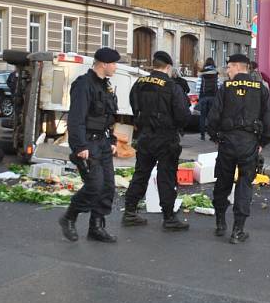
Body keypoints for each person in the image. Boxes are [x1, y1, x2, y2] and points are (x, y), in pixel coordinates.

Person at [206, 53, 270, 244]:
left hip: (227, 142)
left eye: (229, 67)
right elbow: (268, 118)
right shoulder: (260, 89)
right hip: (249, 143)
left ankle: (220, 223)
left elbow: (213, 117)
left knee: (223, 182)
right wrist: (263, 142)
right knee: (245, 185)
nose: (227, 71)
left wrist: (216, 138)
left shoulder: (225, 88)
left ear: (237, 67)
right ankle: (238, 230)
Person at [58, 47, 121, 243]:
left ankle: (96, 226)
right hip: (88, 143)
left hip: (102, 142)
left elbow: (109, 116)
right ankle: (69, 217)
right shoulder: (84, 85)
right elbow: (76, 118)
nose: (116, 67)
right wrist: (79, 147)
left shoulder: (105, 85)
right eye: (114, 64)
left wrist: (112, 140)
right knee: (95, 185)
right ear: (103, 64)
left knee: (108, 186)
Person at [123, 51, 191, 231]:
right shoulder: (171, 86)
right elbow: (183, 115)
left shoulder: (139, 83)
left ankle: (129, 211)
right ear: (168, 67)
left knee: (141, 173)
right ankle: (169, 217)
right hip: (166, 137)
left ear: (154, 65)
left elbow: (133, 105)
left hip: (145, 136)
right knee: (166, 176)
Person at [198, 57, 218, 141]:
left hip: (203, 97)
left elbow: (198, 87)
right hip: (213, 97)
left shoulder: (202, 73)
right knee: (212, 117)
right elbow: (219, 85)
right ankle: (211, 135)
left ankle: (202, 135)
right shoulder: (216, 73)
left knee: (202, 117)